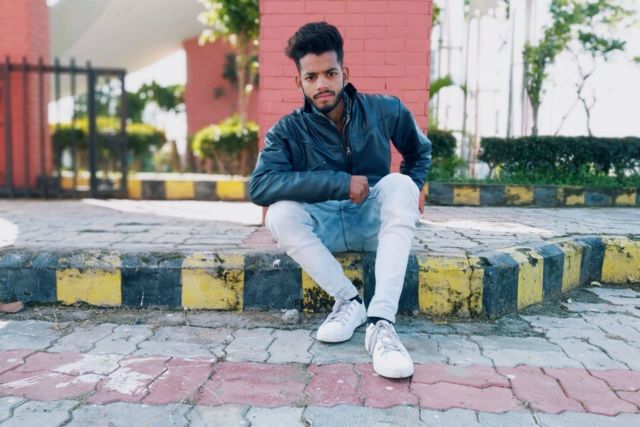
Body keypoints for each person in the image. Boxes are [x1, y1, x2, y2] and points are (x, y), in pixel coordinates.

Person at [249, 22, 431, 379]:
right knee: (280, 215)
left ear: (344, 73)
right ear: (299, 82)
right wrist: (339, 184)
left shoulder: (384, 109)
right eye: (311, 76)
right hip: (326, 227)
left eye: (330, 73)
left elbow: (418, 152)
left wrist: (410, 196)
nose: (322, 84)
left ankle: (381, 323)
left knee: (400, 185)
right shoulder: (286, 131)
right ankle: (349, 301)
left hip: (371, 222)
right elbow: (260, 186)